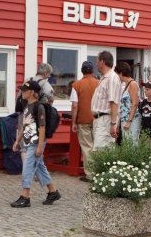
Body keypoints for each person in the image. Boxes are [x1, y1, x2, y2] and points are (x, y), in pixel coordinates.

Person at [10, 79, 61, 208]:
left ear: (32, 92)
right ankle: (53, 191)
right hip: (28, 142)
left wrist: (39, 146)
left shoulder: (39, 107)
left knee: (27, 167)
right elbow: (25, 126)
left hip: (36, 142)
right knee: (39, 167)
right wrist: (18, 140)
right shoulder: (26, 106)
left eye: (24, 90)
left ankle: (25, 197)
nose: (21, 92)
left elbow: (42, 128)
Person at [69, 61, 100, 181]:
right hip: (97, 119)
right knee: (97, 146)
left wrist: (73, 122)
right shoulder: (99, 83)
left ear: (82, 71)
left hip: (83, 120)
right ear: (92, 71)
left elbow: (75, 105)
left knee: (87, 147)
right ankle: (99, 172)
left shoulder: (76, 85)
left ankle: (91, 174)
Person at [90, 51, 121, 151]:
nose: (96, 64)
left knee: (102, 153)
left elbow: (114, 102)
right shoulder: (104, 78)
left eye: (97, 61)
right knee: (99, 152)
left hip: (106, 120)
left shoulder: (112, 78)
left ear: (102, 62)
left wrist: (113, 124)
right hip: (100, 120)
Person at [116, 62, 141, 144]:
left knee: (132, 143)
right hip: (125, 119)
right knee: (126, 144)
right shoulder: (125, 85)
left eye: (117, 74)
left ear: (121, 73)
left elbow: (135, 103)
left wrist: (129, 121)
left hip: (132, 120)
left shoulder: (132, 84)